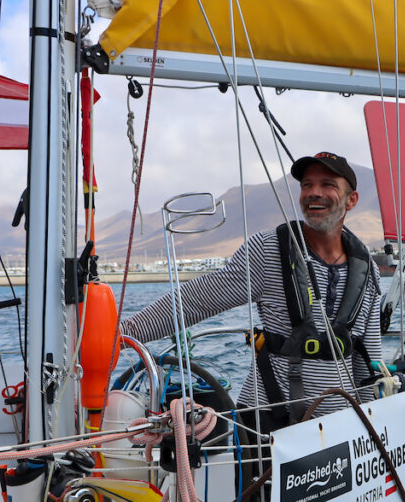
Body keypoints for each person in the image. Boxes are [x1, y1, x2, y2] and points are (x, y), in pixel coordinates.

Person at [119, 151, 383, 435]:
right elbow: (195, 301)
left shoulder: (367, 270)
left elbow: (369, 362)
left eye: (327, 184)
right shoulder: (269, 250)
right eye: (307, 185)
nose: (314, 193)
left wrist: (369, 429)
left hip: (338, 429)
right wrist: (118, 336)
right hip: (266, 425)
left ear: (351, 200)